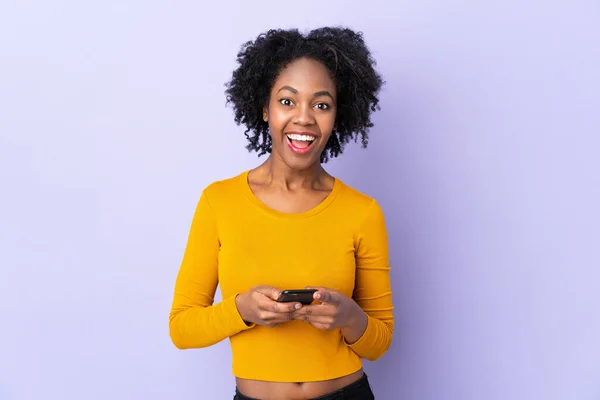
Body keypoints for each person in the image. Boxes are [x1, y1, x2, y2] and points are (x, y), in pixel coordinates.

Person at [169, 26, 394, 400]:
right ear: (265, 109)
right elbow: (182, 328)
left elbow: (379, 341)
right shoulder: (218, 201)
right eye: (287, 101)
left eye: (321, 105)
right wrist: (241, 309)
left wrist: (348, 318)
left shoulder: (362, 212)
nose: (304, 118)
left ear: (337, 117)